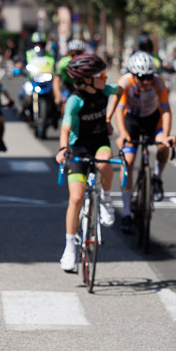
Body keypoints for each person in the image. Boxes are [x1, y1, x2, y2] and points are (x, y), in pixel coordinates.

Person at [55, 54, 120, 272]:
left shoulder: (104, 90)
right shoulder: (75, 100)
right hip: (78, 147)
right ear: (87, 80)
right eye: (101, 74)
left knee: (104, 162)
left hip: (99, 142)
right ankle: (69, 247)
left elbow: (120, 91)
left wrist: (109, 118)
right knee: (75, 198)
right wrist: (63, 149)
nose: (105, 77)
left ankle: (106, 200)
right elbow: (65, 129)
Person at [114, 51, 176, 233]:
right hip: (131, 121)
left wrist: (165, 134)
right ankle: (126, 212)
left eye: (149, 77)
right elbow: (119, 111)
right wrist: (123, 134)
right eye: (142, 78)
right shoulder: (125, 83)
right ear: (133, 75)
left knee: (164, 145)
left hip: (152, 120)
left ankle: (156, 178)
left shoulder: (158, 82)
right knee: (129, 160)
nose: (146, 82)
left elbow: (165, 109)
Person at [53, 38, 87, 115]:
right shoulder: (64, 63)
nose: (76, 56)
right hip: (68, 85)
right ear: (69, 53)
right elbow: (57, 80)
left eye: (79, 53)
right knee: (65, 101)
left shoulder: (86, 62)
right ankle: (65, 120)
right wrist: (58, 96)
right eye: (73, 54)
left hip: (82, 85)